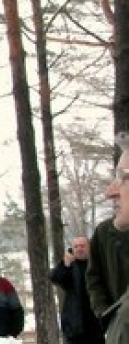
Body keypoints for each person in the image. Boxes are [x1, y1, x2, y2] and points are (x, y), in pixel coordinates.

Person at [88, 132, 129, 343]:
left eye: (123, 177)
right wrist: (108, 314)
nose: (110, 192)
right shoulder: (104, 232)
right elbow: (93, 278)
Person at [49, 236, 105, 344]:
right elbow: (55, 278)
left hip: (96, 323)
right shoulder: (69, 266)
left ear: (89, 248)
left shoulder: (97, 264)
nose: (79, 249)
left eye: (82, 246)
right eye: (76, 246)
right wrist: (65, 265)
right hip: (74, 323)